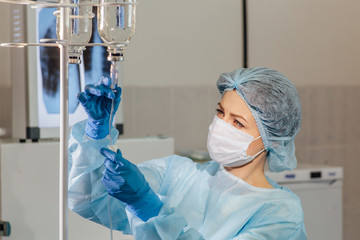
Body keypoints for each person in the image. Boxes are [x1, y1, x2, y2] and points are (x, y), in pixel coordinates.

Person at [68, 67, 307, 239]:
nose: (221, 125)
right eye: (220, 112)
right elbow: (91, 201)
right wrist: (97, 133)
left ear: (272, 139)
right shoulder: (178, 174)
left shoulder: (280, 213)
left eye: (238, 123)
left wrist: (147, 205)